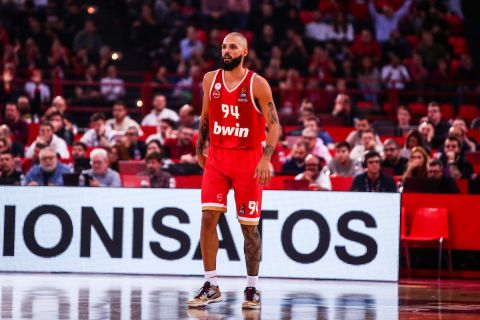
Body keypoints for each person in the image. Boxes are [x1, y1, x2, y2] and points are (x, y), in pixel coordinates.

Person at [187, 32, 280, 310]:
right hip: (217, 156)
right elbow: (205, 116)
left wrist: (266, 157)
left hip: (248, 160)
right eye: (224, 46)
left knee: (249, 229)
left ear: (244, 52)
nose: (226, 51)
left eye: (233, 47)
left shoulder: (257, 84)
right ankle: (211, 284)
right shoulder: (209, 79)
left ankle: (252, 288)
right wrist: (199, 147)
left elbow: (274, 124)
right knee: (207, 218)